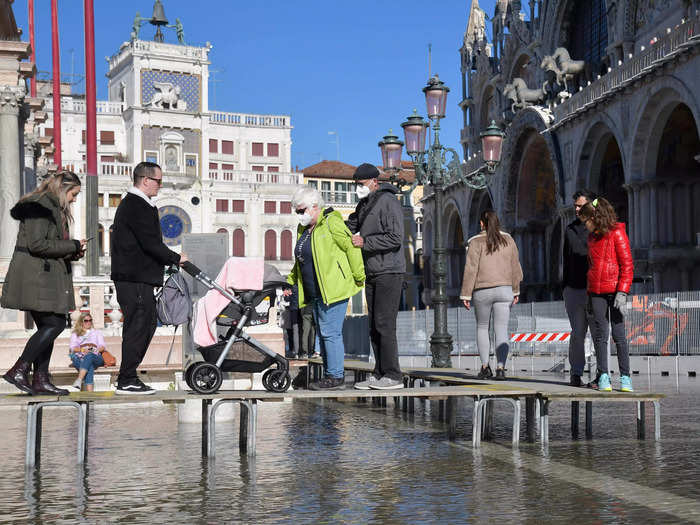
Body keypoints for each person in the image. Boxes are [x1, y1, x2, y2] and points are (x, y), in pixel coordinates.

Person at [1, 171, 86, 395]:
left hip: (42, 274)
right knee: (55, 324)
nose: (74, 199)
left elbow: (50, 244)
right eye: (73, 194)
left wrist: (74, 251)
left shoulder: (48, 206)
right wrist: (73, 245)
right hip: (36, 276)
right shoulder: (40, 206)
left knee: (49, 326)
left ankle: (40, 380)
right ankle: (19, 370)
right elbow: (37, 244)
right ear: (63, 189)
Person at [110, 161, 187, 395]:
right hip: (134, 277)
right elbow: (150, 243)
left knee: (147, 323)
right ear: (145, 180)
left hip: (137, 277)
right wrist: (176, 258)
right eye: (158, 181)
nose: (160, 186)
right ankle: (127, 378)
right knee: (139, 325)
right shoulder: (136, 205)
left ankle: (129, 375)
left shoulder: (138, 204)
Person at [286, 186, 365, 390]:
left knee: (330, 333)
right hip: (316, 292)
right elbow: (301, 260)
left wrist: (359, 276)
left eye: (301, 210)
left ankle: (336, 377)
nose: (299, 215)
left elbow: (351, 247)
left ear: (314, 206)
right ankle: (331, 375)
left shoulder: (332, 222)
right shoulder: (304, 229)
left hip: (334, 288)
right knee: (324, 333)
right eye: (296, 211)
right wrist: (289, 281)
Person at [348, 163, 406, 391]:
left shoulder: (388, 201)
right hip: (372, 270)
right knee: (373, 325)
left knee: (384, 323)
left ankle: (393, 375)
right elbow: (349, 226)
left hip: (390, 270)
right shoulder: (364, 205)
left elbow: (396, 237)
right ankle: (380, 372)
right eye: (356, 185)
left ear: (374, 182)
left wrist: (366, 242)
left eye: (361, 185)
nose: (358, 189)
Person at [578, 198, 634, 392]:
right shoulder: (592, 238)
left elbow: (627, 264)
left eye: (586, 221)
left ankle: (625, 377)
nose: (585, 226)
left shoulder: (617, 233)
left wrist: (623, 291)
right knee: (601, 335)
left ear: (595, 217)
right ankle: (603, 376)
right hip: (596, 291)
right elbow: (593, 266)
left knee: (619, 335)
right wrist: (589, 291)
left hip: (615, 290)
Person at [460, 209, 523, 380]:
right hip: (505, 289)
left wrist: (466, 294)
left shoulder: (475, 242)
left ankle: (485, 366)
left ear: (482, 224)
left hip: (483, 291)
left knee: (482, 327)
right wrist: (516, 289)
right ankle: (501, 368)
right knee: (501, 329)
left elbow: (471, 269)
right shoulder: (508, 240)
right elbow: (515, 267)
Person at [562, 189, 596, 387]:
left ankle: (602, 374)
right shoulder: (569, 229)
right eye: (575, 205)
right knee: (577, 333)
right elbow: (565, 259)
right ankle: (576, 372)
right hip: (574, 288)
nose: (576, 209)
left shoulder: (599, 229)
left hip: (596, 289)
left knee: (599, 332)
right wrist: (564, 286)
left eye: (580, 205)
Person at [68, 312, 107, 392]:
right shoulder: (75, 334)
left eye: (90, 320)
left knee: (89, 355)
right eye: (86, 321)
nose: (88, 322)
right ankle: (90, 397)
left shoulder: (97, 332)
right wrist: (82, 350)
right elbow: (72, 348)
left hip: (96, 357)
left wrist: (92, 350)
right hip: (80, 357)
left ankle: (79, 380)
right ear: (81, 322)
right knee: (89, 366)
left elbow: (102, 347)